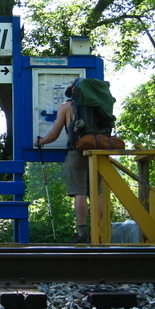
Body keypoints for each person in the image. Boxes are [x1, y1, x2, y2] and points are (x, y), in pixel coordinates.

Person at [34, 81, 92, 243]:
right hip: (100, 152)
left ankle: (82, 235)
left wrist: (41, 141)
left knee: (80, 192)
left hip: (77, 151)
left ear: (73, 90)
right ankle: (100, 232)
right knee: (98, 193)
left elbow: (54, 134)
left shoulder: (67, 106)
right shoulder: (98, 105)